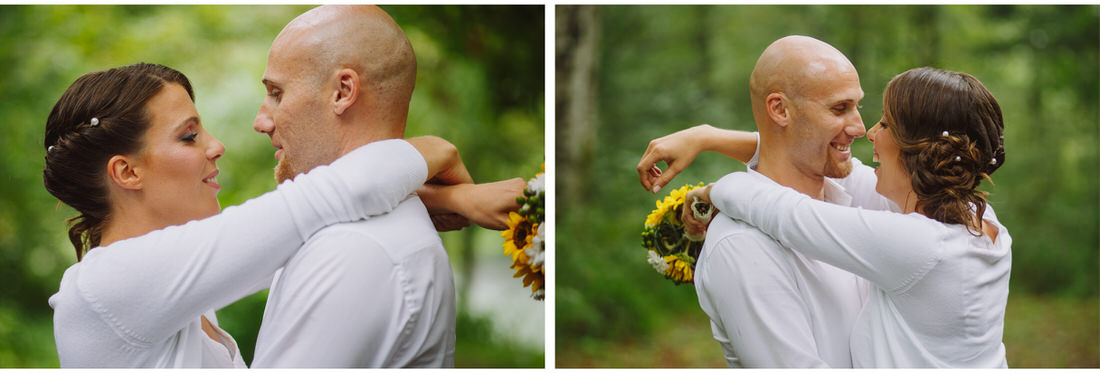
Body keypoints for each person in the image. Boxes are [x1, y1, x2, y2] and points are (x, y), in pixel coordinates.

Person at [43, 63, 484, 367]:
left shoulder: (169, 290)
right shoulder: (109, 286)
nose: (216, 145)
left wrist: (447, 202)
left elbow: (309, 232)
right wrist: (437, 151)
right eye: (189, 136)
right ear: (127, 171)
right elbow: (325, 200)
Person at [248, 5, 525, 368]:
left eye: (276, 93)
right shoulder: (353, 226)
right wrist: (444, 195)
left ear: (342, 91)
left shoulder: (352, 250)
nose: (261, 120)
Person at [687, 66, 1010, 367]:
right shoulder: (979, 222)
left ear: (917, 150)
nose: (868, 132)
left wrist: (712, 191)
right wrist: (706, 139)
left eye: (885, 124)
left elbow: (788, 214)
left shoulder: (918, 244)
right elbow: (828, 163)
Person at [638, 35, 873, 368]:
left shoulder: (854, 199)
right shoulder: (741, 246)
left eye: (857, 105)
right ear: (778, 109)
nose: (860, 127)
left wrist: (706, 137)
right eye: (840, 108)